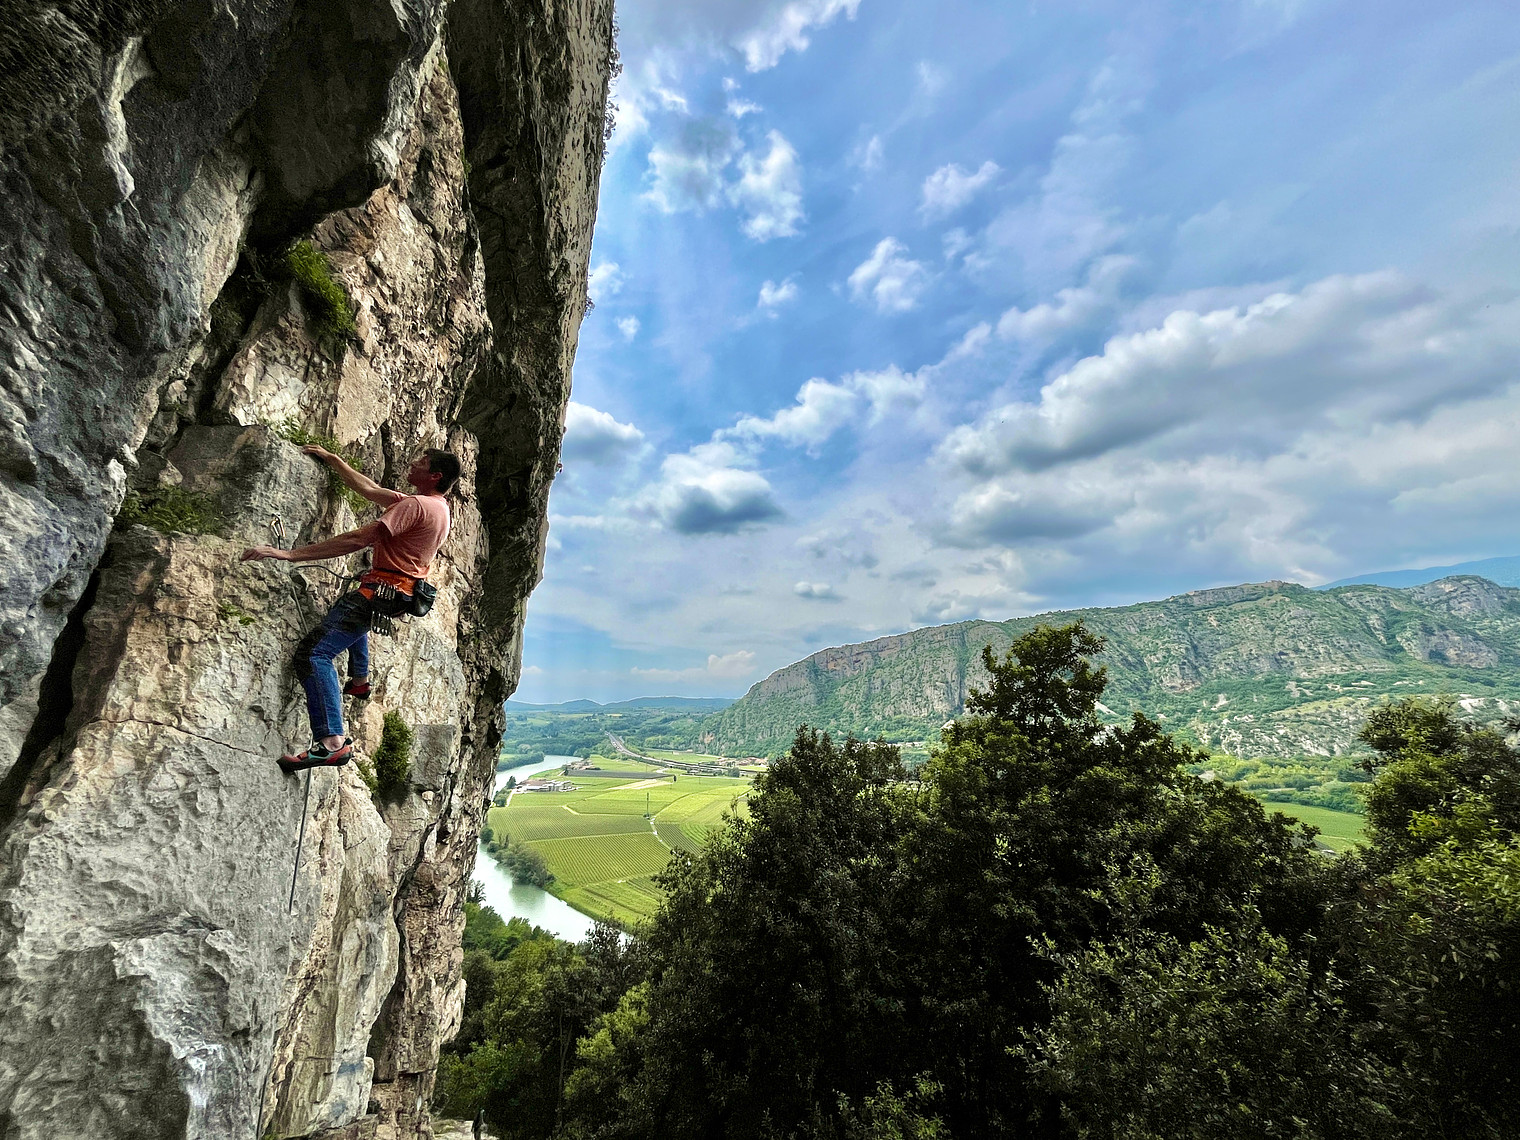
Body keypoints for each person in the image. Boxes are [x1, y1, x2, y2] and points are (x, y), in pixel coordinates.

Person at [241, 445, 459, 773]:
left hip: (379, 591)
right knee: (353, 622)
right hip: (396, 593)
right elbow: (369, 489)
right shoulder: (436, 507)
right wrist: (333, 460)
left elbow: (358, 539)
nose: (414, 463)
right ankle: (360, 679)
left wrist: (290, 554)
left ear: (434, 475)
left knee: (314, 654)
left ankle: (332, 743)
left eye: (422, 462)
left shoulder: (416, 505)